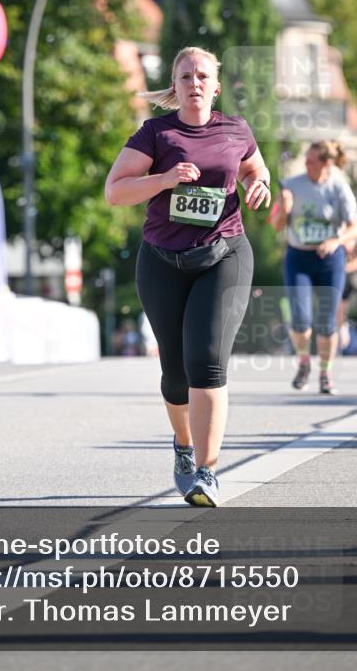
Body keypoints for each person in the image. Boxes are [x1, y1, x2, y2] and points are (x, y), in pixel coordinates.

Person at [105, 46, 270, 507]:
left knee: (207, 362)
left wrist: (260, 184)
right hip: (162, 261)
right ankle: (182, 445)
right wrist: (164, 179)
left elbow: (256, 168)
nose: (194, 83)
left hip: (224, 255)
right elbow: (114, 191)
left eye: (202, 76)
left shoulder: (236, 129)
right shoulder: (155, 133)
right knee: (175, 375)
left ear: (216, 86)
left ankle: (206, 472)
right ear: (174, 86)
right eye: (185, 77)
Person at [271, 141, 357, 395]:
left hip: (330, 260)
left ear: (326, 164)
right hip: (298, 258)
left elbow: (355, 227)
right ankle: (303, 363)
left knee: (326, 321)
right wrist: (285, 210)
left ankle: (325, 372)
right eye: (305, 161)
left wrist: (336, 241)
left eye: (311, 161)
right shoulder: (291, 185)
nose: (306, 165)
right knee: (300, 321)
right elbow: (276, 225)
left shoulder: (339, 188)